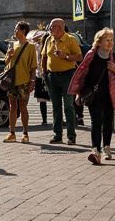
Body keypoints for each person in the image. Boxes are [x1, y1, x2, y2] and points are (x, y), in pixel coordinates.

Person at [70, 28, 115, 164]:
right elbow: (83, 76)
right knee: (96, 122)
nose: (110, 43)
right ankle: (96, 151)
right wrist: (78, 94)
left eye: (111, 40)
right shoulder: (91, 56)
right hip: (93, 96)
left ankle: (106, 147)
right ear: (99, 42)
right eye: (107, 40)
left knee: (107, 122)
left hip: (109, 95)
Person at [42, 17, 81, 145]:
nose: (49, 28)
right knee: (56, 106)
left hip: (67, 77)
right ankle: (57, 135)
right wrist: (43, 71)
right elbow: (44, 56)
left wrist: (66, 56)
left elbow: (79, 56)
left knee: (69, 105)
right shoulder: (49, 39)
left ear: (60, 28)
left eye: (52, 26)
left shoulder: (70, 40)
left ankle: (71, 136)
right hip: (52, 77)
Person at [2, 21, 37, 143]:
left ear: (23, 31)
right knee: (12, 107)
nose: (15, 31)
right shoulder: (12, 45)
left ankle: (25, 133)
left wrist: (32, 81)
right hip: (12, 81)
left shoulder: (31, 46)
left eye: (16, 29)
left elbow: (33, 66)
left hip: (24, 80)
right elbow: (7, 63)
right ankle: (12, 133)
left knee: (23, 108)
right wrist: (9, 56)